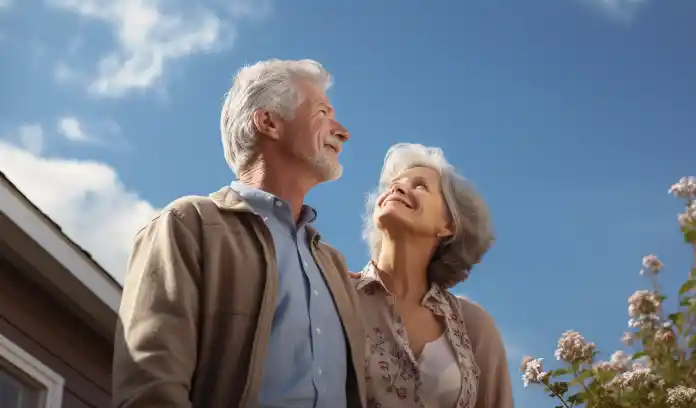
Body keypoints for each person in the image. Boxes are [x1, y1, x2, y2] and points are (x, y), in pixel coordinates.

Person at [112, 59, 366, 408]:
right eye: (322, 111)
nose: (342, 130)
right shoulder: (188, 224)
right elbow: (151, 384)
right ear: (269, 122)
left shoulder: (334, 265)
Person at [350, 143, 514, 408]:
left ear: (448, 224)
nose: (397, 188)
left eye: (420, 186)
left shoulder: (474, 326)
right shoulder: (337, 294)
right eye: (394, 184)